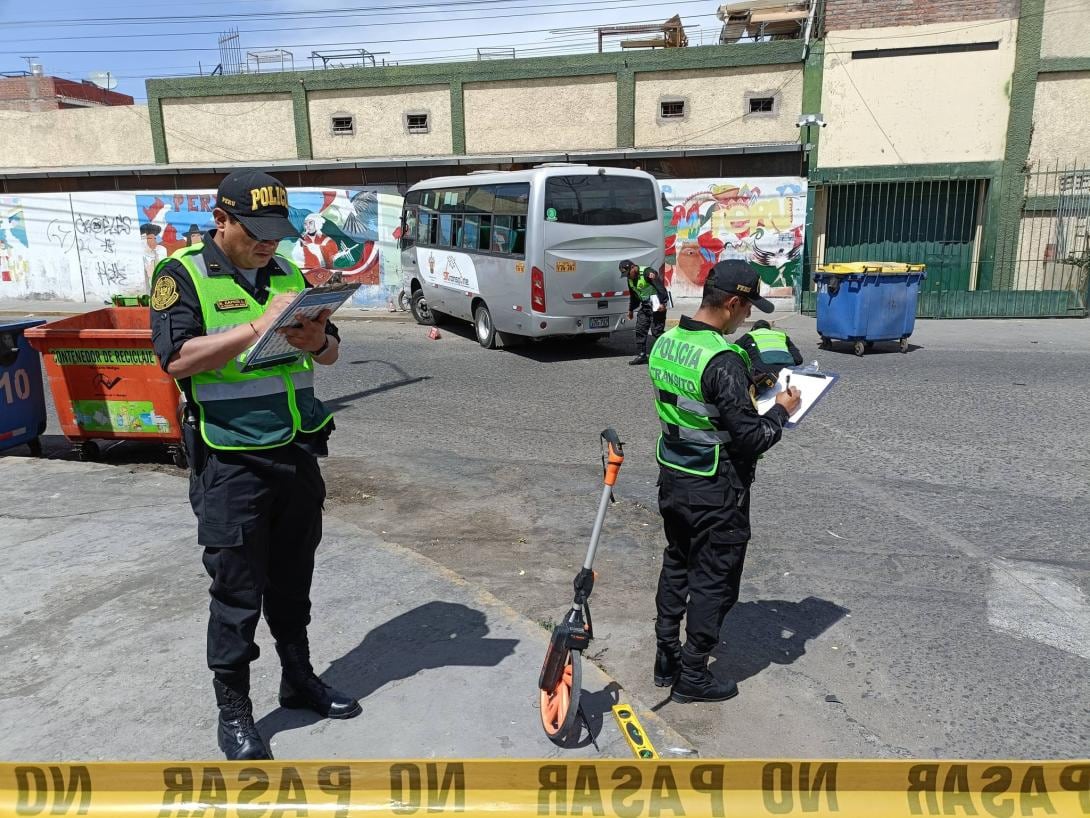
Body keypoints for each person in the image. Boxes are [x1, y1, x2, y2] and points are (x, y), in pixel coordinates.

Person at [149, 170, 360, 761]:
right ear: (222, 220)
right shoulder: (182, 275)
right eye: (256, 232)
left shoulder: (287, 274)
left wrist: (315, 340)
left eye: (276, 233)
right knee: (237, 593)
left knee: (293, 582)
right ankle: (235, 710)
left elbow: (333, 351)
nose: (269, 244)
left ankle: (299, 678)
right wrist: (256, 327)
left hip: (295, 452)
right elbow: (176, 360)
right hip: (231, 460)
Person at [647, 259, 801, 704]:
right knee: (714, 578)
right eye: (748, 307)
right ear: (732, 302)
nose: (748, 316)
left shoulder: (665, 341)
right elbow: (751, 439)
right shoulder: (723, 359)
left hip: (675, 476)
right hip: (716, 488)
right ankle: (693, 674)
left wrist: (741, 389)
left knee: (677, 562)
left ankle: (666, 655)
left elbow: (693, 403)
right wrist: (781, 409)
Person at [735, 319, 804, 393]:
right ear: (769, 328)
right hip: (788, 373)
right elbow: (798, 359)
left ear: (754, 329)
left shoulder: (749, 335)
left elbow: (734, 354)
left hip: (763, 375)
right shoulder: (782, 335)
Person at [622, 259, 669, 365]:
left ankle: (670, 353)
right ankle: (642, 355)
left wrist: (663, 303)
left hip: (657, 305)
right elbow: (633, 296)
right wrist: (631, 309)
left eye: (628, 273)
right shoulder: (630, 279)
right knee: (640, 329)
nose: (628, 276)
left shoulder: (648, 272)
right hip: (645, 306)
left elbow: (660, 288)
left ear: (633, 267)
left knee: (657, 332)